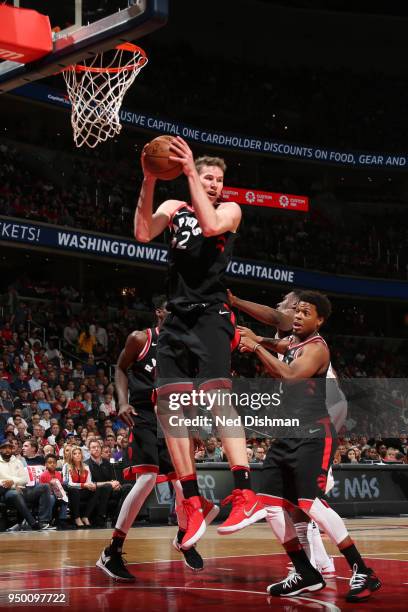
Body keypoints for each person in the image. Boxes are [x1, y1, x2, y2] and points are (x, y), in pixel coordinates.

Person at [134, 137, 263, 550]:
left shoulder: (229, 210)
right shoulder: (173, 210)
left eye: (217, 179)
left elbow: (209, 227)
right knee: (167, 405)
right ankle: (191, 501)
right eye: (207, 176)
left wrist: (189, 171)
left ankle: (244, 492)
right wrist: (149, 179)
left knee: (216, 396)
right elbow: (141, 232)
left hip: (211, 311)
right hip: (176, 315)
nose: (212, 183)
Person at [238, 290, 381, 602]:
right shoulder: (293, 342)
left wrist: (256, 348)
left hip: (313, 434)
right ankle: (304, 571)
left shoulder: (316, 348)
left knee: (310, 503)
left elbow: (289, 375)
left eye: (306, 312)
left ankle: (362, 570)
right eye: (297, 311)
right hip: (288, 434)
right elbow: (279, 344)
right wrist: (258, 339)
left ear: (320, 320)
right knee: (271, 504)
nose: (299, 316)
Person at [229, 288, 342, 575]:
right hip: (303, 422)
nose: (283, 310)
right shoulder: (291, 342)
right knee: (297, 505)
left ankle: (344, 563)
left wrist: (237, 302)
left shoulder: (305, 339)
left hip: (317, 424)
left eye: (292, 308)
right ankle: (317, 563)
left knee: (305, 502)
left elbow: (273, 316)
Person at [97, 299, 205, 582]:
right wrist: (122, 402)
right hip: (142, 413)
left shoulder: (183, 348)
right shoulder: (141, 338)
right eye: (173, 311)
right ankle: (112, 551)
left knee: (183, 484)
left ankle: (184, 538)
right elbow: (120, 368)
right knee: (146, 480)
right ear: (159, 312)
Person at [65, 445, 98, 528]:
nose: (77, 455)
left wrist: (91, 486)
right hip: (71, 491)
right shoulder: (67, 466)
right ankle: (76, 517)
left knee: (96, 490)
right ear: (71, 456)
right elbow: (68, 483)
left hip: (83, 490)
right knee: (74, 491)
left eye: (79, 453)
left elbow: (89, 481)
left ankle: (85, 516)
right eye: (75, 453)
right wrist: (84, 485)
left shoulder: (86, 467)